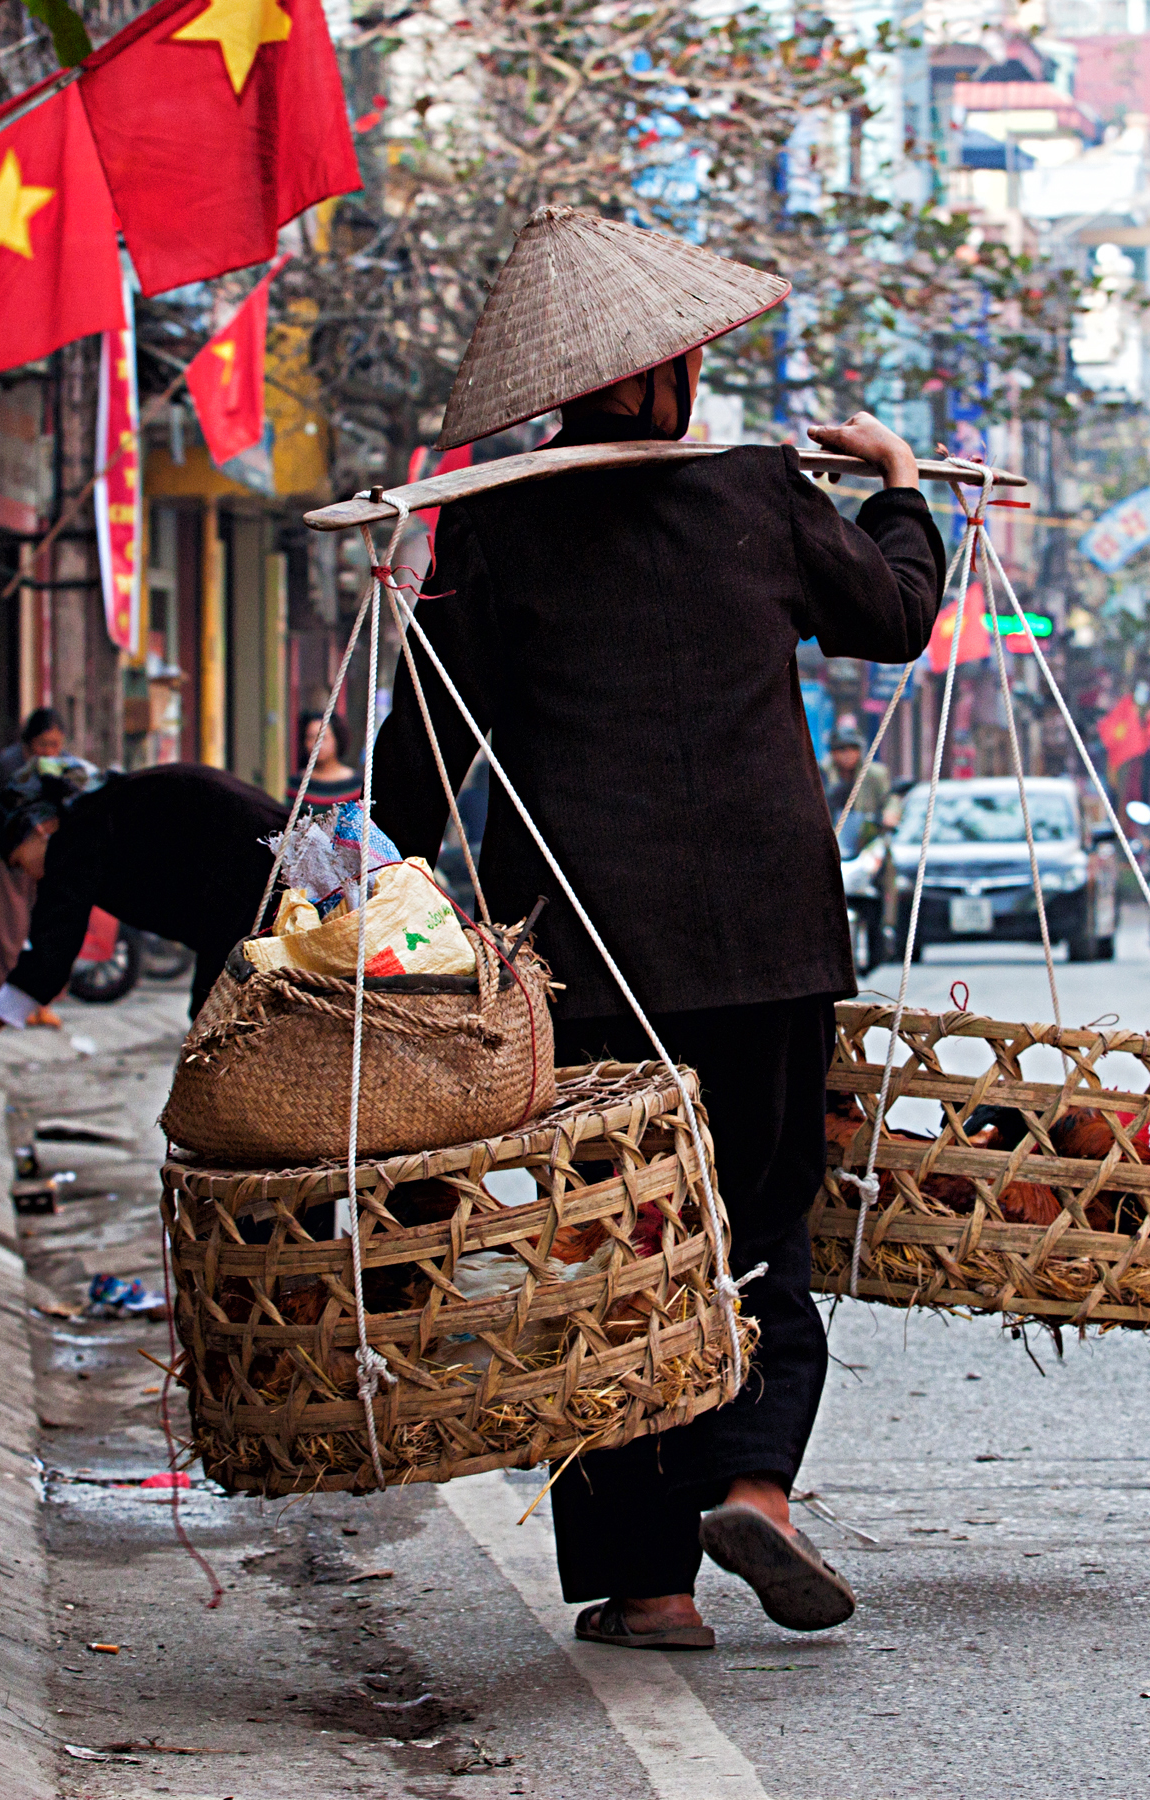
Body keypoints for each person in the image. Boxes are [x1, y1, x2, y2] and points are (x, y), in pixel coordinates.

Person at [368, 206, 942, 1654]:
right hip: (771, 941)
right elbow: (890, 618)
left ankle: (651, 1585)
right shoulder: (757, 492)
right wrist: (895, 484)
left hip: (586, 961)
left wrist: (407, 842)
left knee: (599, 1251)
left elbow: (412, 776)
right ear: (674, 365)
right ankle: (756, 1481)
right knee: (762, 1224)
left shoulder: (492, 518)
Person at [0, 760, 289, 1083]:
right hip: (264, 867)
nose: (29, 877)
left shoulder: (75, 835)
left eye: (20, 863)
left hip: (255, 874)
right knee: (222, 1021)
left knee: (214, 1032)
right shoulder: (103, 811)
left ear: (40, 828)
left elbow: (46, 964)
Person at [0, 708, 66, 999]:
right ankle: (10, 999)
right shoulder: (8, 765)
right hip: (10, 855)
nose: (49, 751)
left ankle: (43, 998)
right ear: (29, 742)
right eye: (43, 744)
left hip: (48, 857)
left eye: (55, 745)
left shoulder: (64, 767)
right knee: (9, 931)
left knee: (47, 925)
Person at [824, 725, 892, 857]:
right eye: (842, 749)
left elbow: (890, 798)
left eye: (853, 748)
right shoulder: (820, 774)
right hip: (832, 841)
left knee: (885, 865)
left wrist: (890, 813)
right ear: (833, 752)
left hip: (869, 840)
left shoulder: (875, 774)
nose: (848, 754)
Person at [297, 712, 362, 804]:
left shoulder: (356, 785)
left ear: (337, 739)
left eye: (323, 738)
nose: (316, 744)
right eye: (311, 738)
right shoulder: (297, 784)